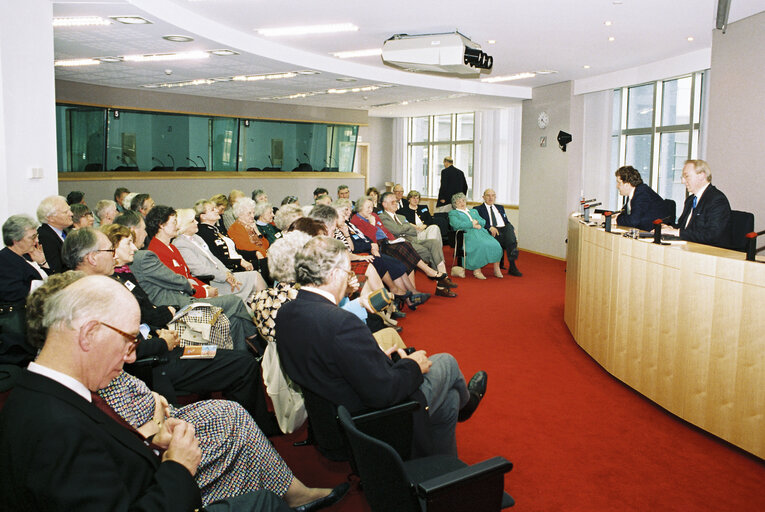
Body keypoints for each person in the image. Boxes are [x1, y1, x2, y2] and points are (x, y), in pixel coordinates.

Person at [22, 272, 348, 510]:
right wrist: (177, 465)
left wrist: (151, 435)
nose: (133, 356)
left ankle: (279, 494)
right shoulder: (54, 426)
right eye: (128, 340)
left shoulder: (55, 393)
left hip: (154, 456)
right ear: (88, 334)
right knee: (261, 500)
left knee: (229, 414)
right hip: (161, 482)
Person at [276, 236, 487, 456]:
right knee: (446, 362)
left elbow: (327, 362)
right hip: (372, 419)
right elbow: (383, 393)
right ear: (335, 274)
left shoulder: (286, 313)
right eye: (349, 273)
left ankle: (441, 471)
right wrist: (411, 366)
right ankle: (468, 405)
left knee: (449, 402)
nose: (351, 280)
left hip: (330, 419)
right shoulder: (340, 322)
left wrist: (376, 360)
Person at [97, 224, 278, 434]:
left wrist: (161, 330)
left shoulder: (121, 277)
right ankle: (254, 420)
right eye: (127, 243)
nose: (134, 248)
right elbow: (137, 335)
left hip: (163, 344)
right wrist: (163, 338)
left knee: (234, 336)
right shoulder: (108, 287)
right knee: (242, 361)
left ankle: (251, 418)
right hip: (158, 362)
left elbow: (146, 316)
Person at [116, 209, 259, 351]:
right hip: (176, 304)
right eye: (143, 229)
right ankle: (256, 340)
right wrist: (201, 290)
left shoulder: (169, 247)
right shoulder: (146, 255)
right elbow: (176, 280)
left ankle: (245, 355)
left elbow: (185, 276)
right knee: (235, 301)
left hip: (183, 297)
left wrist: (200, 286)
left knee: (234, 321)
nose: (146, 233)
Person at [172, 208, 265, 303]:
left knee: (255, 277)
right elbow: (199, 269)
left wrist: (227, 272)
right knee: (255, 277)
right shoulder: (180, 244)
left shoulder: (196, 238)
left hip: (222, 276)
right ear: (184, 225)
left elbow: (214, 259)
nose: (196, 222)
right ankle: (267, 307)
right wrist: (225, 276)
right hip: (212, 282)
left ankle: (265, 307)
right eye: (192, 221)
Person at [379, 192, 457, 298]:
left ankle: (442, 279)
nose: (396, 203)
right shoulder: (383, 217)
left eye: (396, 201)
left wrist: (404, 229)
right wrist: (405, 228)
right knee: (430, 253)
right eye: (392, 202)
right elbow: (396, 231)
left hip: (413, 241)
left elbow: (413, 231)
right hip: (401, 246)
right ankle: (442, 283)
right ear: (384, 204)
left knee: (434, 242)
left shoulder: (401, 217)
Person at [662, 159, 732, 248]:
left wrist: (677, 232)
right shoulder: (690, 200)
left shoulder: (717, 200)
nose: (683, 181)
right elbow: (684, 227)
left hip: (709, 253)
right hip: (689, 247)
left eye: (687, 176)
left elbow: (712, 235)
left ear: (701, 176)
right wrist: (669, 228)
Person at [0, 215, 49, 338]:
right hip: (18, 328)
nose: (36, 240)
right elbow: (11, 292)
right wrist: (44, 287)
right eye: (32, 237)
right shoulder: (4, 259)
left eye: (36, 236)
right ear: (16, 240)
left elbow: (53, 280)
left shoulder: (29, 257)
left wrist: (43, 263)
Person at [449, 193, 503, 279]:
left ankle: (496, 269)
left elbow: (483, 221)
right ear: (455, 204)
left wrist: (477, 223)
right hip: (467, 234)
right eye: (458, 202)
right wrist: (472, 224)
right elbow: (456, 224)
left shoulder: (473, 211)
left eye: (463, 200)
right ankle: (477, 270)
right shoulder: (453, 213)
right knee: (480, 245)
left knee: (496, 245)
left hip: (481, 232)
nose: (462, 203)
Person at [194, 199, 255, 273]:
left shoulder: (218, 230)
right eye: (212, 210)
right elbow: (215, 258)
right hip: (230, 269)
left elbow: (234, 251)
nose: (217, 210)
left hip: (241, 264)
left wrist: (255, 253)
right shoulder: (203, 233)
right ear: (203, 216)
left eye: (215, 208)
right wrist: (239, 262)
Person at [473, 188, 522, 276]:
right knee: (510, 240)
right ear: (483, 197)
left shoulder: (500, 207)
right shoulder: (478, 209)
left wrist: (512, 227)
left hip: (504, 227)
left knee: (511, 236)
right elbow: (479, 221)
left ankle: (512, 266)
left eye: (493, 195)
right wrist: (490, 227)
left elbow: (505, 221)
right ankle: (509, 265)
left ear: (495, 197)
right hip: (492, 229)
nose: (490, 198)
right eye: (488, 195)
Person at [612, 166, 666, 232]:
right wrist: (618, 216)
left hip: (652, 234)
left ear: (627, 184)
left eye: (619, 183)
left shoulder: (642, 194)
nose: (617, 186)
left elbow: (633, 221)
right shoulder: (634, 194)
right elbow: (626, 214)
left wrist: (617, 219)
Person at [36, 195, 73, 274]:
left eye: (69, 210)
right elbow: (55, 269)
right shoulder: (44, 237)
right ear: (50, 218)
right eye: (65, 212)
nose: (71, 214)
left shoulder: (63, 233)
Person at [227, 197, 270, 265]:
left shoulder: (251, 226)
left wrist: (257, 231)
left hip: (262, 258)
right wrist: (265, 253)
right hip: (251, 260)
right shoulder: (235, 228)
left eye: (253, 212)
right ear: (240, 214)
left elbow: (266, 245)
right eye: (249, 213)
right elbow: (246, 248)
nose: (253, 216)